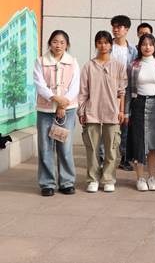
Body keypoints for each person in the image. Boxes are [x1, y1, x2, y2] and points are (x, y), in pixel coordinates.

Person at [78, 31, 127, 193]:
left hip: (112, 113)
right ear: (96, 44)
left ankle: (108, 179)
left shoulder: (118, 66)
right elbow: (83, 92)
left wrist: (121, 111)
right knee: (92, 148)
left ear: (111, 45)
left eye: (106, 42)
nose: (103, 45)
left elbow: (122, 91)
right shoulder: (88, 66)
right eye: (100, 42)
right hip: (92, 112)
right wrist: (81, 111)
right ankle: (92, 179)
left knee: (111, 149)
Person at [33, 30, 80, 197]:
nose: (58, 45)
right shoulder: (40, 61)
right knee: (45, 147)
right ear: (49, 43)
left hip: (67, 110)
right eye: (55, 41)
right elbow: (39, 84)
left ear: (67, 45)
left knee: (65, 147)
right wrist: (55, 98)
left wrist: (63, 104)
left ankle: (67, 182)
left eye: (62, 42)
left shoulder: (73, 62)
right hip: (45, 110)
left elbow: (75, 86)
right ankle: (47, 183)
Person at [125, 34, 155, 192]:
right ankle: (140, 178)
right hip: (138, 105)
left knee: (153, 145)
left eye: (150, 44)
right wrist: (126, 112)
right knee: (139, 143)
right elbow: (128, 91)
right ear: (139, 47)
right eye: (144, 44)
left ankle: (151, 177)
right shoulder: (133, 66)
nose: (147, 47)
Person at [110, 15, 137, 172]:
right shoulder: (108, 46)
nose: (116, 29)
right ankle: (103, 157)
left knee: (125, 124)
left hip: (126, 91)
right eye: (114, 26)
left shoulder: (132, 50)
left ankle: (125, 158)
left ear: (126, 30)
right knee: (107, 123)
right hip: (109, 90)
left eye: (119, 27)